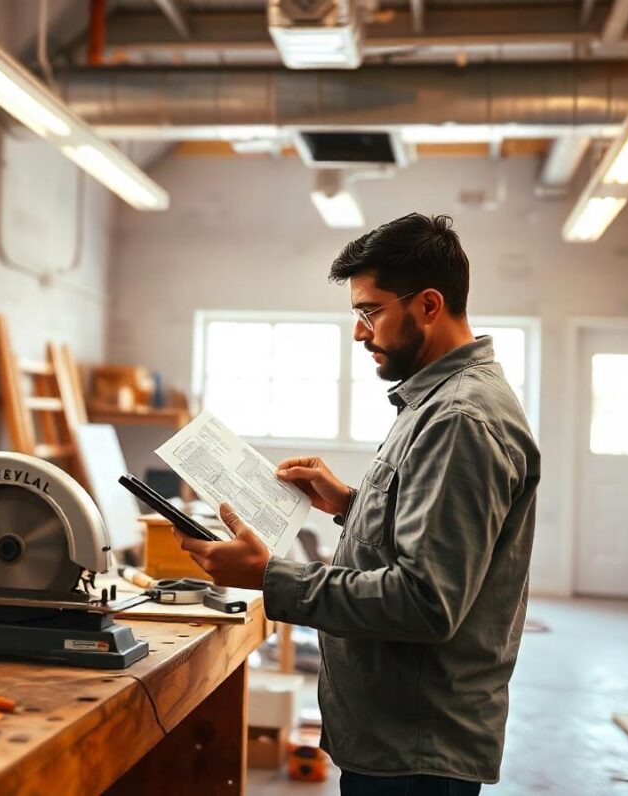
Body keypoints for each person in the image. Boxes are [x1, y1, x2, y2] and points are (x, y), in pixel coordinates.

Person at [176, 213, 541, 796]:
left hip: (416, 750)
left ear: (427, 305)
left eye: (369, 312)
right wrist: (348, 503)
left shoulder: (460, 420)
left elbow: (425, 603)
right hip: (396, 735)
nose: (359, 333)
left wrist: (270, 576)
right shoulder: (435, 401)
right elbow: (425, 532)